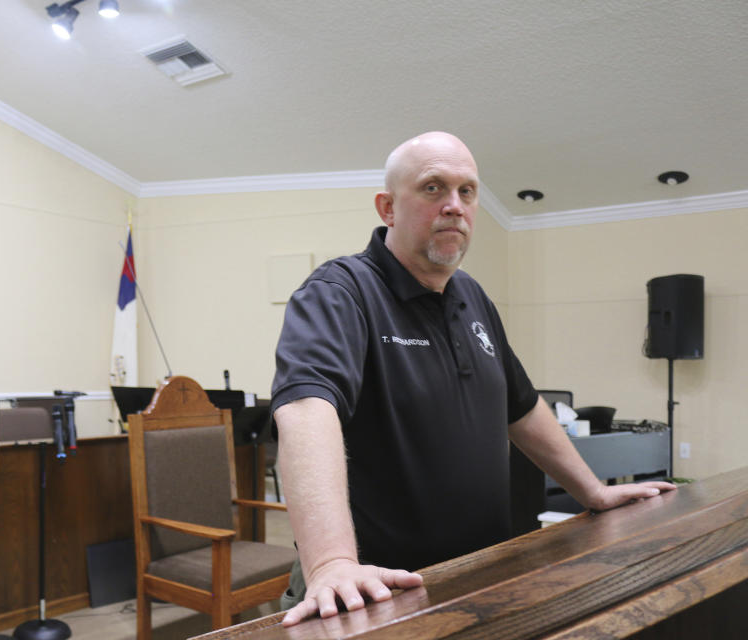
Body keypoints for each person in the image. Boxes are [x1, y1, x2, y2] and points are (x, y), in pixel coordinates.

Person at [269, 131, 676, 627]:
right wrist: (332, 563)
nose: (454, 206)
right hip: (374, 590)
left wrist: (592, 492)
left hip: (477, 575)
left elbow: (521, 407)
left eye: (467, 191)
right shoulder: (340, 292)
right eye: (433, 188)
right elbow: (306, 411)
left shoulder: (472, 295)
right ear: (388, 208)